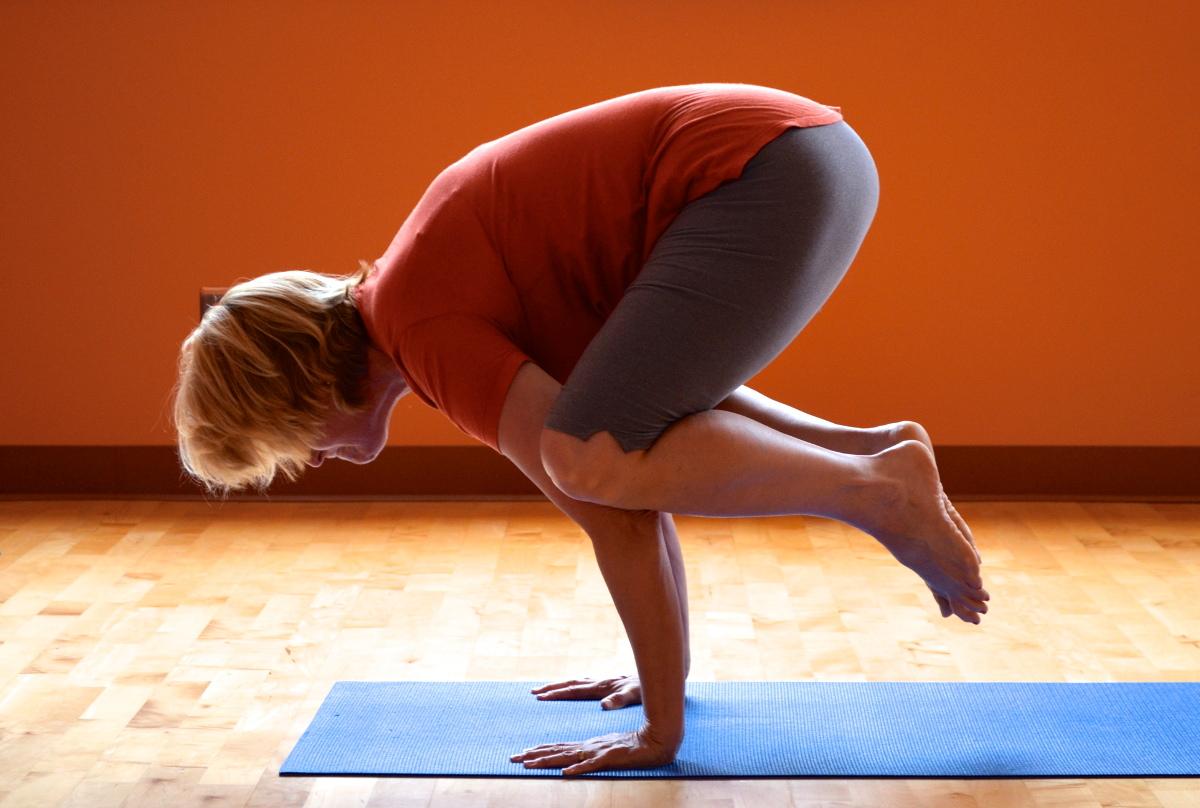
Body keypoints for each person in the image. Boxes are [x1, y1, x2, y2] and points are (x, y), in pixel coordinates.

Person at [172, 83, 989, 776]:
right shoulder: (415, 301)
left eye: (289, 438)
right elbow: (633, 479)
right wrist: (657, 675)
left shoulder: (420, 330)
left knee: (584, 457)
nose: (308, 458)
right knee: (610, 443)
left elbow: (611, 510)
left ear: (304, 383)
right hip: (807, 156)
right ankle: (875, 456)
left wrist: (660, 735)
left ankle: (873, 492)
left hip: (760, 173)